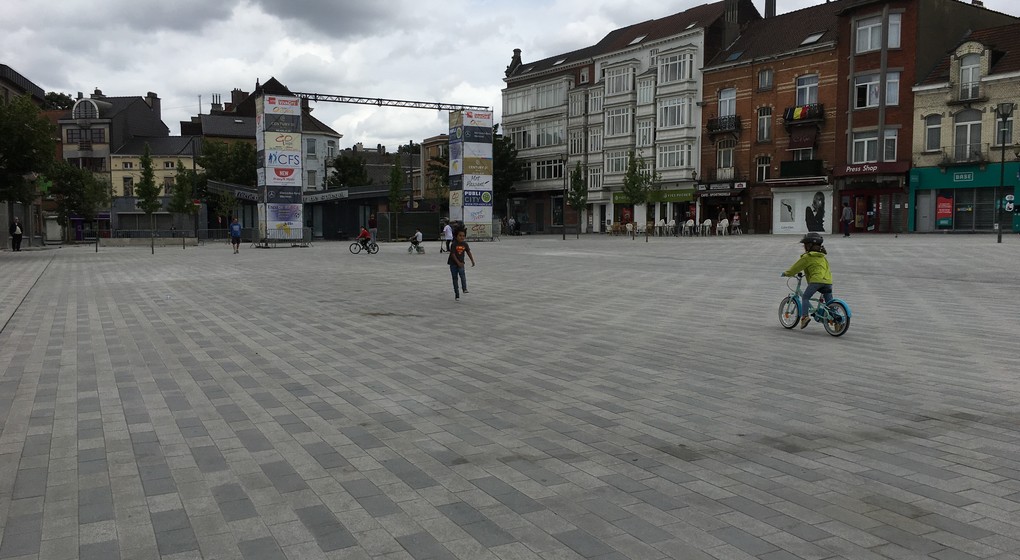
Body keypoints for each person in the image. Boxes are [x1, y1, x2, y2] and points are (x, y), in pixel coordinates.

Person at [782, 232, 833, 329]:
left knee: (805, 297)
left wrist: (786, 273)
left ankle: (804, 317)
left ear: (809, 246)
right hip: (828, 281)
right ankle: (837, 321)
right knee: (830, 303)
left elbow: (796, 268)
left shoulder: (807, 257)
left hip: (816, 281)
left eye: (804, 245)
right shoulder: (822, 257)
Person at [447, 228, 475, 301]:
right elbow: (453, 254)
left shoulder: (465, 244)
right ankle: (457, 294)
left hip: (461, 263)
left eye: (463, 236)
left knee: (462, 275)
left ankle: (464, 288)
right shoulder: (454, 244)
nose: (462, 237)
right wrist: (458, 263)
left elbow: (468, 252)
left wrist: (472, 260)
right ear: (456, 236)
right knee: (455, 278)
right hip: (453, 264)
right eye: (460, 235)